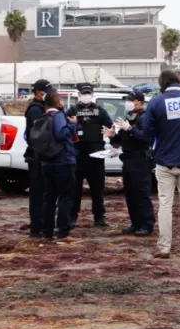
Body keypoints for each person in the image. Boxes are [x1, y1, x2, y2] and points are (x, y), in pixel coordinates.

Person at [124, 70, 180, 259]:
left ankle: (164, 248)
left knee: (165, 205)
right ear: (179, 83)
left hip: (164, 161)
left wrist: (132, 129)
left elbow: (147, 133)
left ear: (162, 84)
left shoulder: (156, 102)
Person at [106, 91, 155, 236]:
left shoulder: (144, 117)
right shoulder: (128, 117)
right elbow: (120, 140)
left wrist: (130, 129)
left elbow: (145, 137)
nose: (128, 103)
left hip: (141, 160)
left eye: (131, 100)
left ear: (140, 102)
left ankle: (146, 225)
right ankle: (135, 223)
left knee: (141, 193)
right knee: (130, 194)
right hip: (128, 159)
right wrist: (112, 136)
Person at [66, 83, 113, 228]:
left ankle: (99, 217)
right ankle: (72, 217)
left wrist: (112, 137)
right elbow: (65, 129)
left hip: (95, 155)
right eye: (83, 93)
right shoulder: (72, 111)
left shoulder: (100, 111)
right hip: (77, 155)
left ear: (92, 95)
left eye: (88, 93)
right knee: (74, 190)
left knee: (97, 189)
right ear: (79, 95)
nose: (86, 96)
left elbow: (111, 127)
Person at [40, 91, 80, 243]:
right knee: (66, 197)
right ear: (57, 102)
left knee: (49, 197)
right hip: (62, 161)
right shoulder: (57, 116)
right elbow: (61, 134)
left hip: (47, 162)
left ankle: (47, 231)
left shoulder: (43, 116)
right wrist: (72, 124)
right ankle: (63, 232)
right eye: (61, 100)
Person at [23, 78, 52, 239]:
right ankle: (36, 227)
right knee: (38, 193)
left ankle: (43, 225)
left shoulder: (43, 107)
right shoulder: (35, 109)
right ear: (39, 92)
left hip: (42, 155)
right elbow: (37, 134)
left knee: (45, 192)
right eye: (47, 91)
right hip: (37, 156)